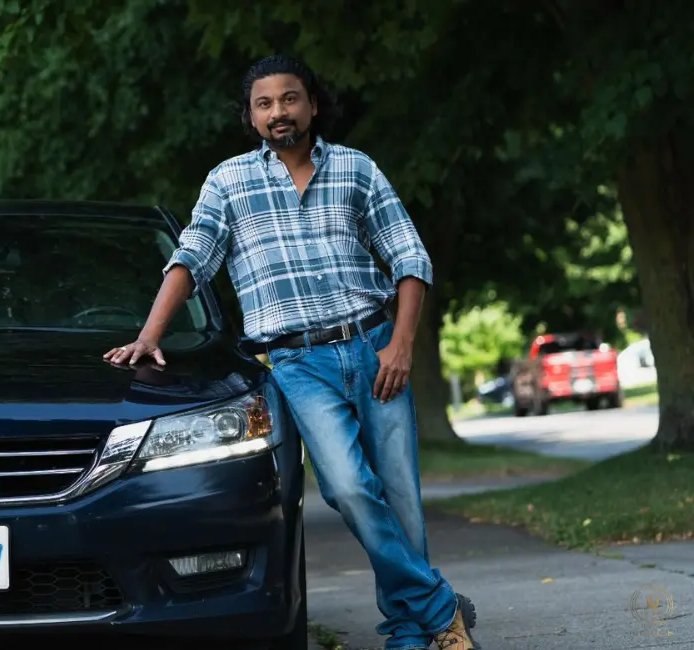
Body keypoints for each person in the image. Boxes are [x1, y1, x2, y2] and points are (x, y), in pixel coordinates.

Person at [104, 54, 480, 650]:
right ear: (251, 117)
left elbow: (410, 257)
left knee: (401, 497)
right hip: (299, 364)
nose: (278, 111)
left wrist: (402, 345)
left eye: (289, 98)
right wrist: (149, 335)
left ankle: (411, 633)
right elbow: (192, 258)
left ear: (311, 104)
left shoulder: (356, 168)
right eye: (264, 103)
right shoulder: (228, 182)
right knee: (348, 489)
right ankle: (439, 606)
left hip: (375, 348)